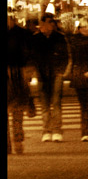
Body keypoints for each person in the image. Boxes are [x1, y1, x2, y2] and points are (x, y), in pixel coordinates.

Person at [29, 12, 70, 143]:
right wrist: (34, 72)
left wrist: (61, 71)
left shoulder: (59, 37)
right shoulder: (36, 38)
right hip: (41, 74)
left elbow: (65, 56)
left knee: (56, 102)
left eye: (52, 22)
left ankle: (57, 130)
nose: (50, 25)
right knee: (45, 104)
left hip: (56, 73)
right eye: (48, 22)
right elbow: (32, 57)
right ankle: (46, 130)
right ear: (42, 24)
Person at [8, 13, 35, 155]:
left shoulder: (22, 34)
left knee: (17, 110)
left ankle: (18, 140)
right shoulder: (22, 34)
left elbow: (30, 54)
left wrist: (28, 72)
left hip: (18, 74)